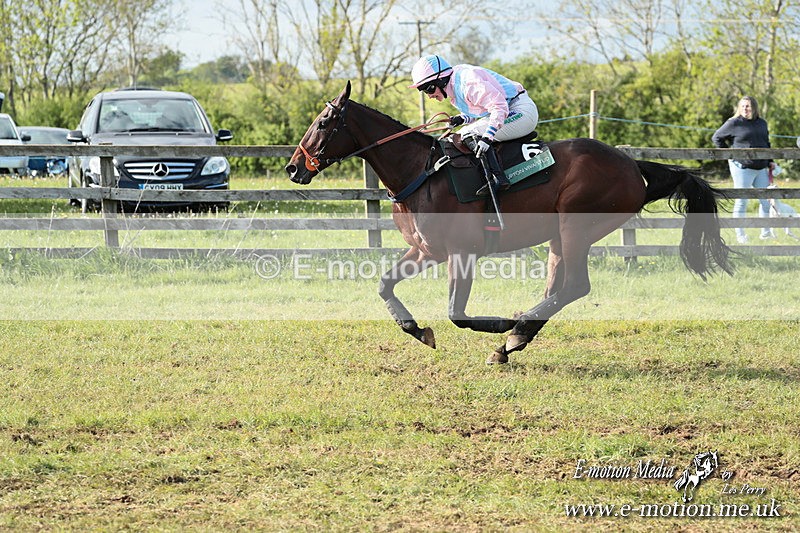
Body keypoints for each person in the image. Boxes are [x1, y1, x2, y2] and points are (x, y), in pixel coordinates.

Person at [409, 54, 539, 195]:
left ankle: (497, 178)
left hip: (521, 111)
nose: (429, 95)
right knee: (463, 133)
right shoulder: (453, 86)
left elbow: (499, 107)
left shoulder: (467, 83)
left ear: (440, 80)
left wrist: (487, 137)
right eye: (425, 92)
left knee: (467, 133)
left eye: (429, 89)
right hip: (507, 110)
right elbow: (481, 111)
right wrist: (462, 118)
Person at [711, 96, 775, 243]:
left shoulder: (762, 123)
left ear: (754, 107)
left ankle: (765, 232)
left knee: (766, 202)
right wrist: (729, 155)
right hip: (742, 168)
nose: (746, 109)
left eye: (748, 106)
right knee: (742, 201)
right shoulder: (733, 123)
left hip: (761, 168)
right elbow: (717, 138)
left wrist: (770, 161)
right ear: (739, 108)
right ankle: (740, 235)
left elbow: (766, 143)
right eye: (743, 106)